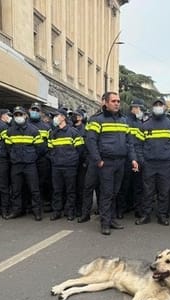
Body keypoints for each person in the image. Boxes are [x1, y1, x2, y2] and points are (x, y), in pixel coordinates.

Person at [85, 91, 139, 235]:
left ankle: (112, 219)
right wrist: (98, 161)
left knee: (115, 193)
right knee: (107, 193)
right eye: (113, 101)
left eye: (118, 101)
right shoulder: (96, 120)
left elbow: (129, 143)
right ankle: (105, 223)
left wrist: (133, 159)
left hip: (120, 162)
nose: (117, 104)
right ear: (106, 103)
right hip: (106, 163)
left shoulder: (123, 120)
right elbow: (91, 141)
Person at [135, 97, 170, 226]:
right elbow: (138, 145)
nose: (158, 107)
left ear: (165, 107)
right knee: (147, 192)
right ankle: (145, 215)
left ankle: (162, 215)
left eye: (160, 104)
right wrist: (142, 161)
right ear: (152, 107)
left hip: (166, 164)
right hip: (149, 164)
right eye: (156, 105)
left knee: (164, 191)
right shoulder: (144, 126)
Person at [4, 106, 46, 221]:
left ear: (25, 116)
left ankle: (37, 211)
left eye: (20, 115)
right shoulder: (10, 131)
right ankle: (17, 210)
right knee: (16, 189)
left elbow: (40, 148)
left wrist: (31, 157)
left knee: (34, 189)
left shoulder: (33, 130)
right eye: (16, 115)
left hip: (30, 164)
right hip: (16, 164)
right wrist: (14, 156)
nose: (18, 117)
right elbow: (8, 147)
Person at [48, 109, 84, 221]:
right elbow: (49, 150)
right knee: (57, 190)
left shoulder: (73, 132)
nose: (54, 118)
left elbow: (80, 149)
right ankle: (57, 211)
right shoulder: (52, 133)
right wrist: (54, 160)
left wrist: (72, 160)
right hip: (57, 166)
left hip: (70, 166)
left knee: (70, 190)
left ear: (63, 117)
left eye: (56, 116)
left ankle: (70, 211)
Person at [116, 99, 144, 219]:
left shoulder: (139, 123)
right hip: (128, 158)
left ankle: (133, 209)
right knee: (125, 185)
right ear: (134, 108)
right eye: (140, 108)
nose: (141, 111)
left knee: (136, 186)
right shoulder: (125, 121)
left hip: (135, 158)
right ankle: (123, 208)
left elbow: (142, 142)